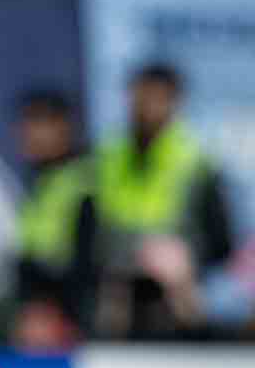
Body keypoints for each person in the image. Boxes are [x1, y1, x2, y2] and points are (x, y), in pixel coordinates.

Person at [92, 63, 233, 339]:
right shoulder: (108, 155)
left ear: (175, 102)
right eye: (142, 97)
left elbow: (221, 240)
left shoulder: (195, 160)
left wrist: (182, 254)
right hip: (117, 270)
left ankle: (196, 349)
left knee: (173, 266)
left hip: (178, 278)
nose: (148, 107)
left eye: (159, 98)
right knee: (110, 290)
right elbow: (91, 227)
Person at [13, 89, 95, 349]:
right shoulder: (39, 181)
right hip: (35, 305)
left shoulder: (85, 180)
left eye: (39, 122)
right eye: (27, 122)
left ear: (63, 127)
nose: (30, 132)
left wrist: (59, 314)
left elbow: (89, 260)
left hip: (69, 312)